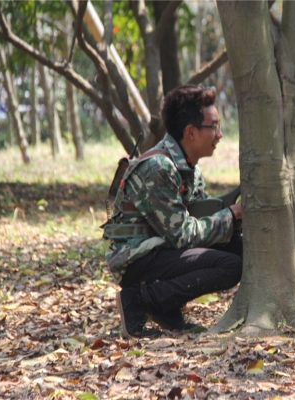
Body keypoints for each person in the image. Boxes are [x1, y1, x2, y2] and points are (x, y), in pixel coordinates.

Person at [102, 84, 242, 339]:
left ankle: (164, 306)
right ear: (190, 132)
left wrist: (234, 220)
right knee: (230, 266)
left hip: (160, 249)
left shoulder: (187, 166)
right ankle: (141, 300)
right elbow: (183, 236)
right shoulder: (160, 167)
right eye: (214, 127)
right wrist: (231, 216)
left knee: (238, 248)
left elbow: (201, 216)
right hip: (137, 260)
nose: (220, 134)